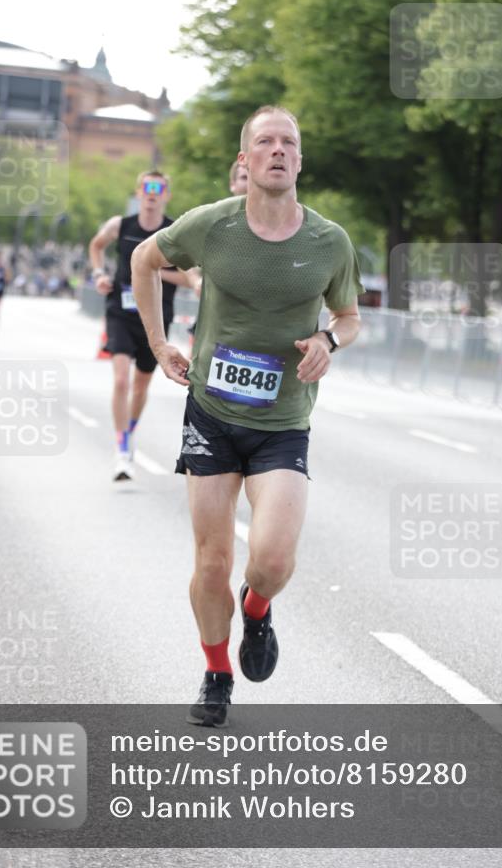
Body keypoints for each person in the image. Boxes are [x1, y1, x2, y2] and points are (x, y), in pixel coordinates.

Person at [131, 106, 362, 726]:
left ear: (300, 160)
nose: (279, 150)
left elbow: (349, 317)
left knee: (273, 561)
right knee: (211, 561)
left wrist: (328, 343)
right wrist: (158, 345)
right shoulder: (212, 225)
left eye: (290, 141)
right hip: (211, 413)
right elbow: (144, 262)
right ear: (246, 160)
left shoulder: (328, 241)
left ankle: (256, 611)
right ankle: (215, 672)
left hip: (283, 422)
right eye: (266, 141)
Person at [89, 170, 199, 482]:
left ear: (167, 195)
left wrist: (148, 270)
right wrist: (98, 274)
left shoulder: (174, 232)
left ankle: (130, 431)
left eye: (159, 188)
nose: (152, 193)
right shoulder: (120, 225)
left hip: (155, 318)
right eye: (147, 188)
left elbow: (187, 275)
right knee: (121, 380)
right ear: (138, 192)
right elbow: (96, 247)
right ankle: (122, 447)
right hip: (120, 311)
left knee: (140, 385)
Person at [187, 159, 249, 348]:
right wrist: (196, 281)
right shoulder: (214, 220)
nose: (249, 183)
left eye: (253, 177)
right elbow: (184, 256)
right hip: (214, 322)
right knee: (195, 376)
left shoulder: (282, 226)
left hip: (258, 326)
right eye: (244, 177)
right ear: (233, 184)